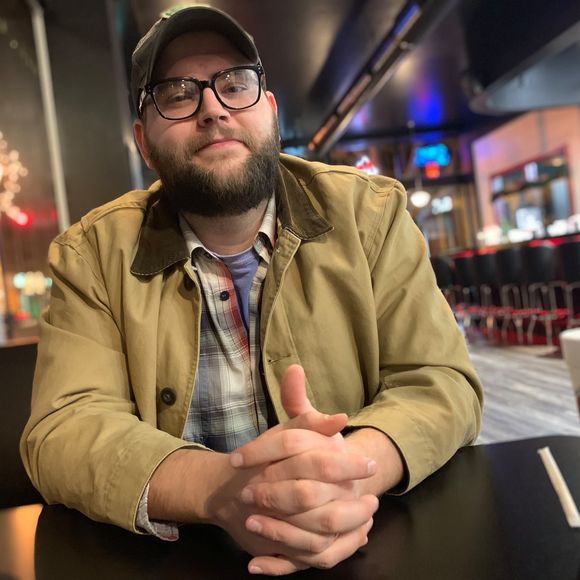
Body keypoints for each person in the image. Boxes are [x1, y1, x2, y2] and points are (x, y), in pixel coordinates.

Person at [20, 5, 483, 576]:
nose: (213, 108)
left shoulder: (372, 214)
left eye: (235, 84)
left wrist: (343, 473)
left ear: (270, 109)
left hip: (364, 544)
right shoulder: (90, 254)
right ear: (144, 144)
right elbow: (63, 429)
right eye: (177, 94)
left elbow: (441, 381)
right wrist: (221, 490)